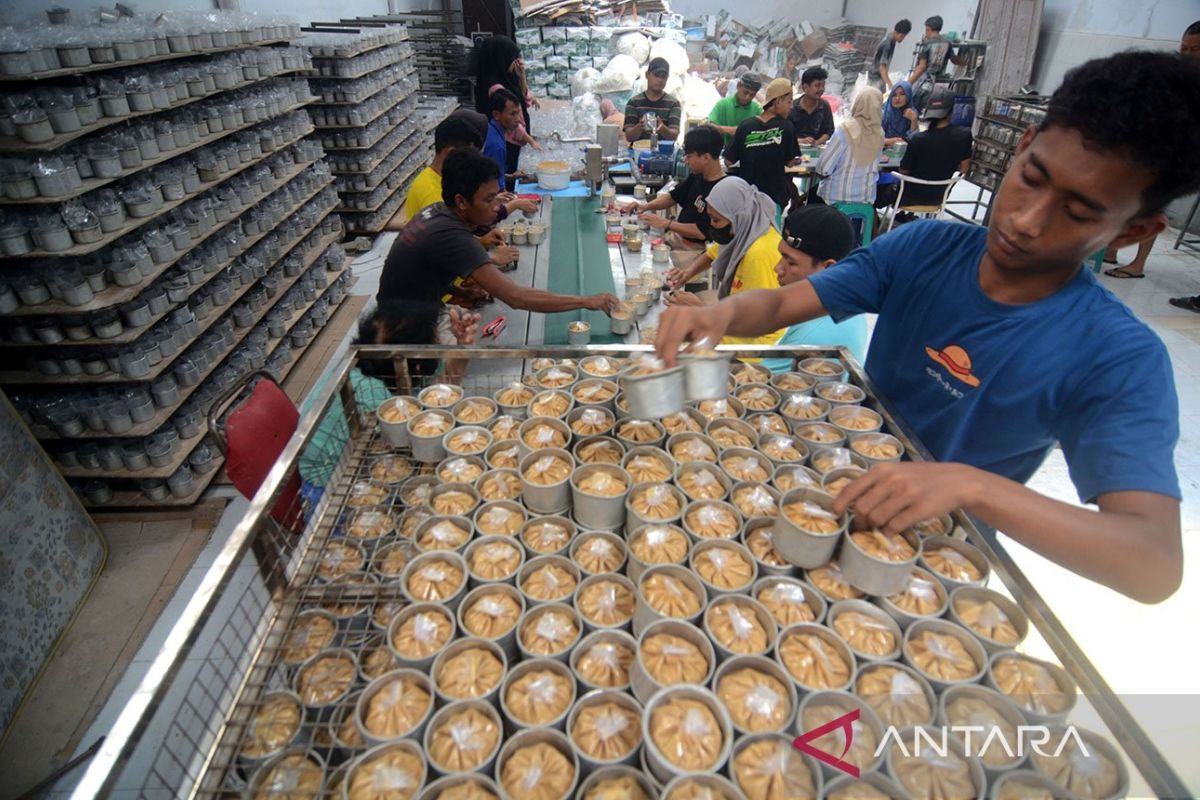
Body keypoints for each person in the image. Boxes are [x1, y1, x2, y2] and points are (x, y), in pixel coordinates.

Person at [654, 51, 1200, 604]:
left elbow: (1151, 562)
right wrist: (717, 314)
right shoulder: (924, 247)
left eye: (1078, 213)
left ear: (1134, 231)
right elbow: (781, 307)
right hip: (829, 492)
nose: (1027, 221)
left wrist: (970, 485)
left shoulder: (1115, 355)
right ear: (1023, 144)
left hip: (927, 561)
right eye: (1032, 178)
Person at [379, 148, 620, 359]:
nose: (497, 207)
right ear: (461, 202)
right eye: (489, 199)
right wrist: (586, 301)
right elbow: (516, 298)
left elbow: (424, 271)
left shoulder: (437, 212)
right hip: (400, 330)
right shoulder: (452, 236)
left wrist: (461, 291)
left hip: (400, 308)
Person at [661, 177, 786, 350]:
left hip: (753, 347)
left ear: (737, 217)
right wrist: (687, 274)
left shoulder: (759, 255)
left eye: (716, 220)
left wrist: (701, 310)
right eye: (711, 218)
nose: (712, 226)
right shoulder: (744, 230)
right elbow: (714, 252)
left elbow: (753, 326)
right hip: (735, 323)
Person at [1120, 20, 1200, 286]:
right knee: (1138, 201)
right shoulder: (1174, 73)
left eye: (1195, 49)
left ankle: (1137, 263)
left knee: (1153, 206)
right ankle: (1112, 251)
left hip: (1181, 154)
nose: (1187, 54)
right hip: (1159, 147)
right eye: (1184, 47)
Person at [761, 204, 866, 372]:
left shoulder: (809, 339)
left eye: (790, 262)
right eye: (781, 256)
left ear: (828, 267)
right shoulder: (846, 298)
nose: (777, 268)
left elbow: (755, 391)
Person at [626, 125, 725, 250]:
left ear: (706, 157)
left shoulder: (722, 190)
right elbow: (673, 196)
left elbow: (700, 232)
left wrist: (666, 223)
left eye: (689, 156)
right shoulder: (697, 175)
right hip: (678, 238)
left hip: (696, 250)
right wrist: (644, 206)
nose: (685, 161)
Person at [725, 78, 800, 217]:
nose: (791, 107)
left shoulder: (745, 125)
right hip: (774, 197)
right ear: (777, 101)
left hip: (747, 197)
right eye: (789, 102)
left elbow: (729, 161)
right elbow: (791, 162)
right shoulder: (787, 127)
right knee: (771, 236)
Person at [469, 36, 536, 177]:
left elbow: (523, 99)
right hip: (509, 141)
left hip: (516, 140)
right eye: (513, 58)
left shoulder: (507, 77)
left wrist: (521, 76)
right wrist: (529, 139)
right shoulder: (496, 87)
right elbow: (510, 118)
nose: (517, 62)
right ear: (502, 58)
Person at [896, 86, 972, 207]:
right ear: (951, 111)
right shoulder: (964, 135)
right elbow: (964, 169)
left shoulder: (917, 140)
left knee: (877, 190)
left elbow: (903, 171)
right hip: (939, 198)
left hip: (906, 197)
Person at [815, 87, 884, 205]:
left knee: (812, 197)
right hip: (866, 199)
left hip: (835, 197)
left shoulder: (845, 130)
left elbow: (823, 168)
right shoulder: (880, 133)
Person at [623, 58, 682, 144]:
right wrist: (639, 127)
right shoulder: (634, 103)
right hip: (639, 153)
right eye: (656, 75)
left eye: (663, 77)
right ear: (647, 75)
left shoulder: (673, 104)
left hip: (664, 154)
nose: (660, 80)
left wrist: (662, 128)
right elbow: (629, 136)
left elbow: (674, 136)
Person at [908, 16, 956, 112]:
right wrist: (964, 62)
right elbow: (954, 60)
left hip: (925, 82)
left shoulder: (927, 44)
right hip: (938, 81)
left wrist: (908, 83)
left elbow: (922, 67)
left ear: (928, 28)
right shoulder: (947, 42)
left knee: (913, 105)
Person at [484, 88, 525, 191]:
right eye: (513, 114)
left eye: (518, 113)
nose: (518, 119)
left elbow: (491, 173)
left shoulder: (493, 131)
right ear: (496, 115)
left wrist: (508, 177)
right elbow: (496, 189)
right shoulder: (496, 145)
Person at [708, 72, 763, 146]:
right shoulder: (723, 104)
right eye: (745, 92)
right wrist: (733, 130)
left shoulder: (757, 109)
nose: (747, 97)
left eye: (752, 95)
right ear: (738, 86)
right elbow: (710, 127)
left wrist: (725, 129)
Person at [787, 67, 835, 146]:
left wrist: (816, 143)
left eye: (823, 85)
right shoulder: (792, 108)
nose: (821, 89)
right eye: (817, 86)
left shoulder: (825, 106)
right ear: (805, 87)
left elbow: (829, 131)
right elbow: (786, 135)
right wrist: (801, 141)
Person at [870, 19, 913, 92]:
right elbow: (882, 68)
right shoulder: (887, 44)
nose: (903, 39)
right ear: (901, 35)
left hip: (880, 77)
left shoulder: (892, 40)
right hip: (875, 78)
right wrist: (890, 85)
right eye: (903, 36)